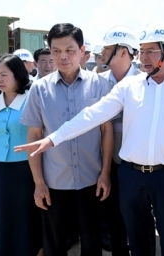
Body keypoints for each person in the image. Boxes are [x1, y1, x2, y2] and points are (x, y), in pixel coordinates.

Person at [15, 23, 164, 256]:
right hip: (131, 175)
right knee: (138, 237)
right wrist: (53, 138)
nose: (143, 57)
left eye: (151, 51)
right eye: (141, 50)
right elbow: (93, 115)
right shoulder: (128, 87)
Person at [18, 23, 113, 256]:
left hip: (91, 179)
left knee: (91, 242)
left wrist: (105, 173)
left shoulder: (100, 85)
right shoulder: (39, 90)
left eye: (69, 50)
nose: (63, 56)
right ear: (50, 51)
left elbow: (106, 131)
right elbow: (34, 137)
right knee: (54, 243)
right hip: (54, 182)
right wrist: (39, 183)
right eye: (56, 50)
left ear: (82, 51)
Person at [0, 54, 42, 256]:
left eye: (4, 75)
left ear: (18, 75)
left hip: (28, 168)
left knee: (29, 216)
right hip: (1, 170)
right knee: (5, 217)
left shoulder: (33, 100)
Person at [98, 25, 149, 256]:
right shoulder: (97, 82)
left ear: (122, 52)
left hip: (135, 164)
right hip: (105, 162)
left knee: (139, 217)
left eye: (107, 48)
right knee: (112, 215)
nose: (101, 52)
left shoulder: (146, 82)